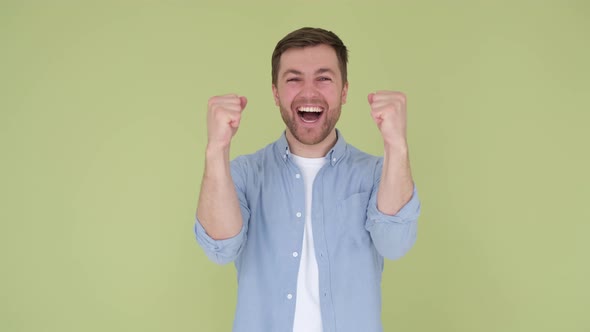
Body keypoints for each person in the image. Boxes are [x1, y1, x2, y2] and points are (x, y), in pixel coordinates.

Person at [194, 27, 421, 332]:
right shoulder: (244, 173)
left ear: (344, 91)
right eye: (294, 79)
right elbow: (219, 249)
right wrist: (216, 150)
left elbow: (395, 244)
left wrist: (397, 145)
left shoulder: (376, 173)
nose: (309, 91)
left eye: (324, 78)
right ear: (275, 92)